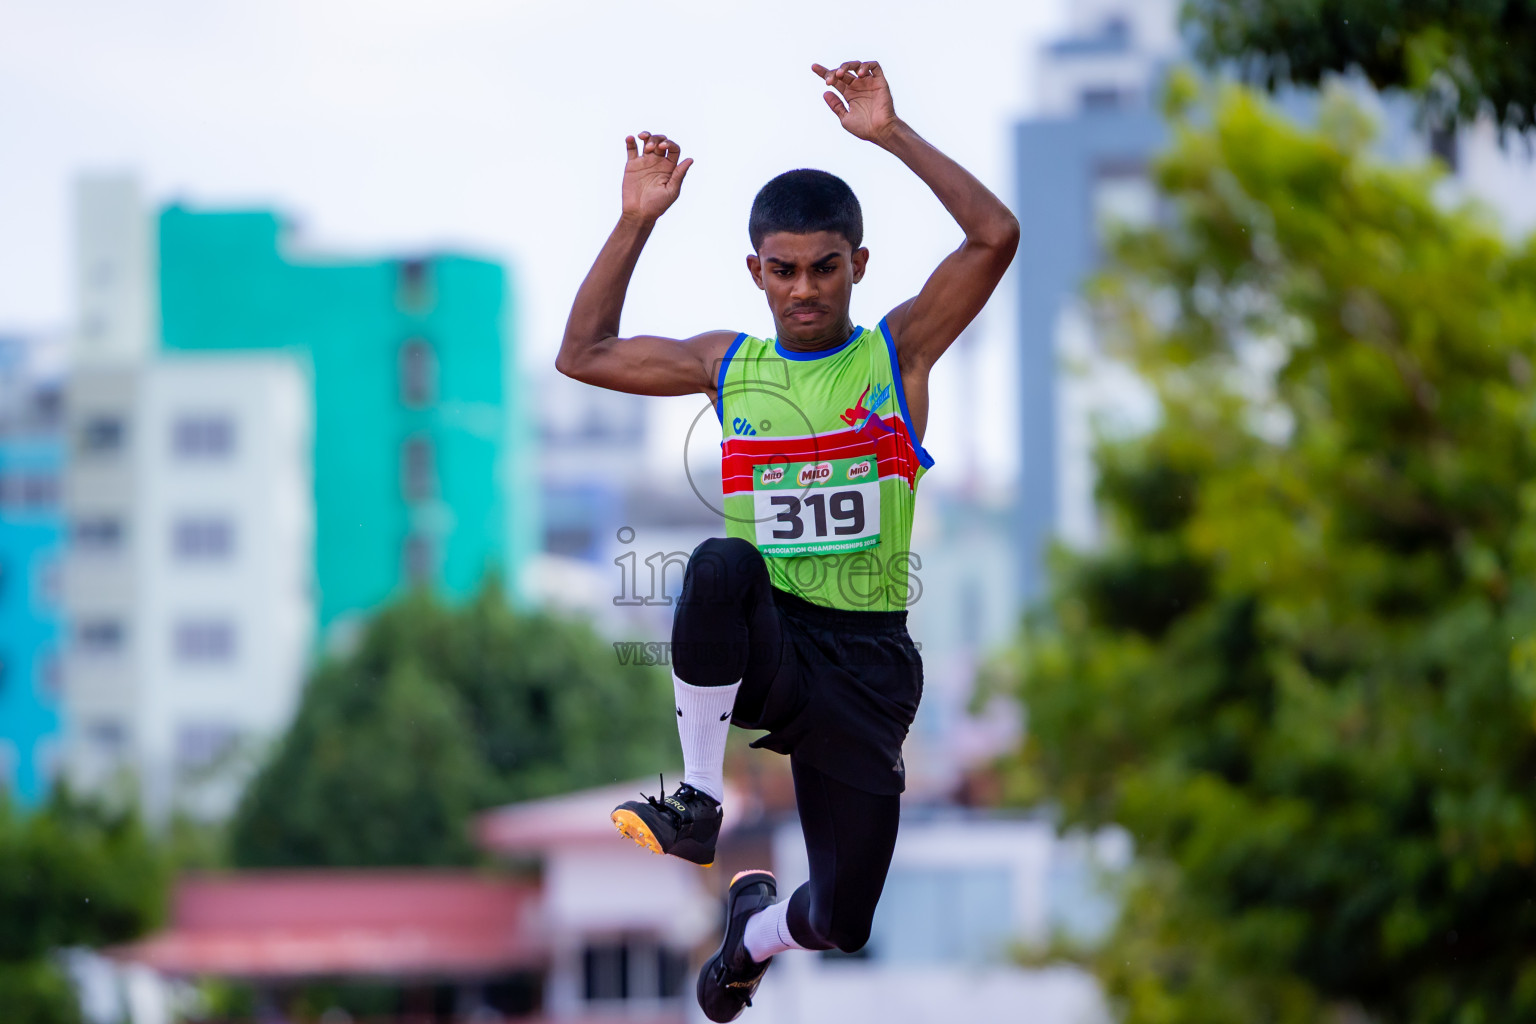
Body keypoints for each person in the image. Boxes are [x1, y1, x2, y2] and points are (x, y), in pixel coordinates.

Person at [556, 59, 1018, 1022]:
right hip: (772, 641)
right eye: (783, 269)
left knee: (845, 920)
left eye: (823, 267)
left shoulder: (898, 353)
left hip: (868, 663)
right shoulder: (730, 365)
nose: (803, 289)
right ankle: (695, 799)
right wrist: (637, 218)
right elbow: (584, 354)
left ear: (857, 263)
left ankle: (753, 933)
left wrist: (892, 135)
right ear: (756, 269)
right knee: (720, 564)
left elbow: (995, 235)